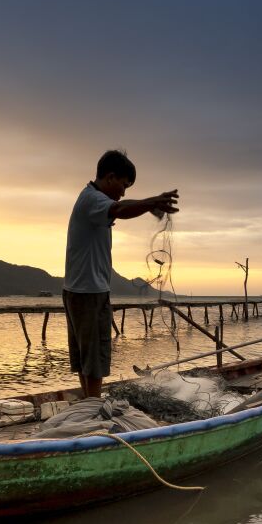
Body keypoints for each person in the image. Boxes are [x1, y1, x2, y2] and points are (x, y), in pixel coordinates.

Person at [63, 150, 179, 398]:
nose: (124, 191)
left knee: (86, 358)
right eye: (124, 185)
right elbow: (120, 209)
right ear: (110, 176)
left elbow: (122, 207)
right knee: (93, 360)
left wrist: (149, 205)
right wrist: (152, 202)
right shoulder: (94, 200)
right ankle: (93, 411)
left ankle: (88, 406)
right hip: (90, 292)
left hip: (77, 290)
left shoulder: (89, 198)